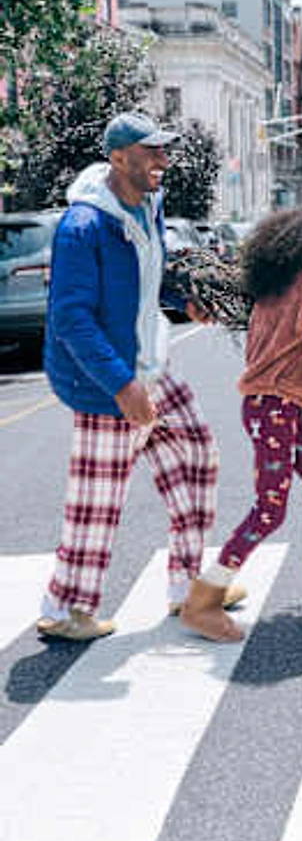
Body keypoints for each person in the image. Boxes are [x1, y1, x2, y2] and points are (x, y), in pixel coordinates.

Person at [37, 111, 244, 641]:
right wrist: (121, 386)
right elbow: (70, 319)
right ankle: (65, 611)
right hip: (105, 376)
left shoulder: (147, 204)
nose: (163, 161)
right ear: (119, 158)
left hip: (148, 362)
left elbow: (151, 275)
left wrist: (184, 301)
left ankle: (187, 584)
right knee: (98, 498)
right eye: (151, 152)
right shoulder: (84, 227)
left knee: (197, 455)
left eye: (164, 150)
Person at [180, 207, 302, 641]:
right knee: (270, 510)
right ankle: (203, 600)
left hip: (275, 407)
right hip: (274, 408)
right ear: (295, 249)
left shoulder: (274, 285)